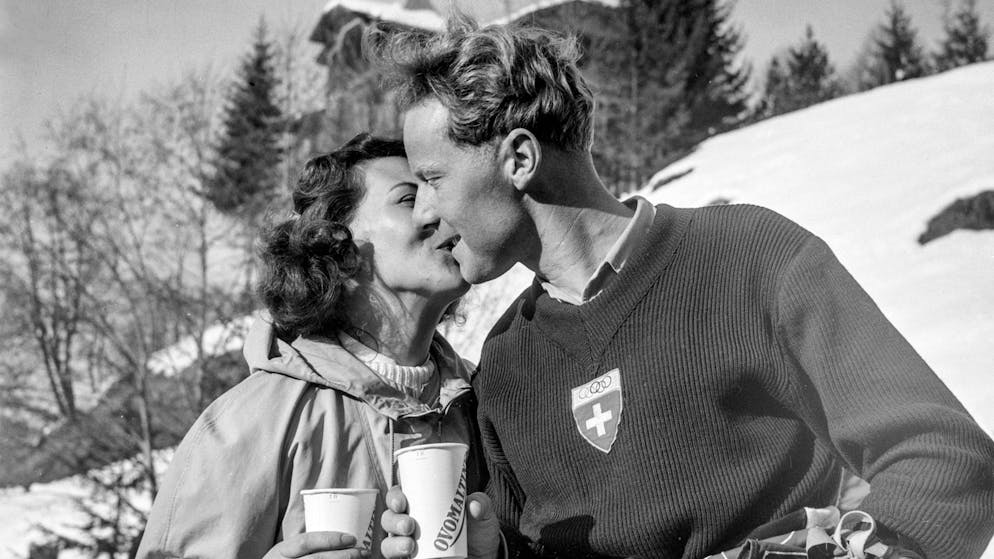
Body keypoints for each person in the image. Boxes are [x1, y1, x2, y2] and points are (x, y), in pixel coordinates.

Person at [370, 15, 994, 559]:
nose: (424, 211)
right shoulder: (504, 365)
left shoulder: (751, 257)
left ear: (519, 159)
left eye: (432, 177)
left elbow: (944, 460)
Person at [136, 133, 489, 559]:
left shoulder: (487, 400)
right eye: (408, 198)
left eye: (438, 192)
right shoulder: (250, 423)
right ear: (335, 245)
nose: (438, 212)